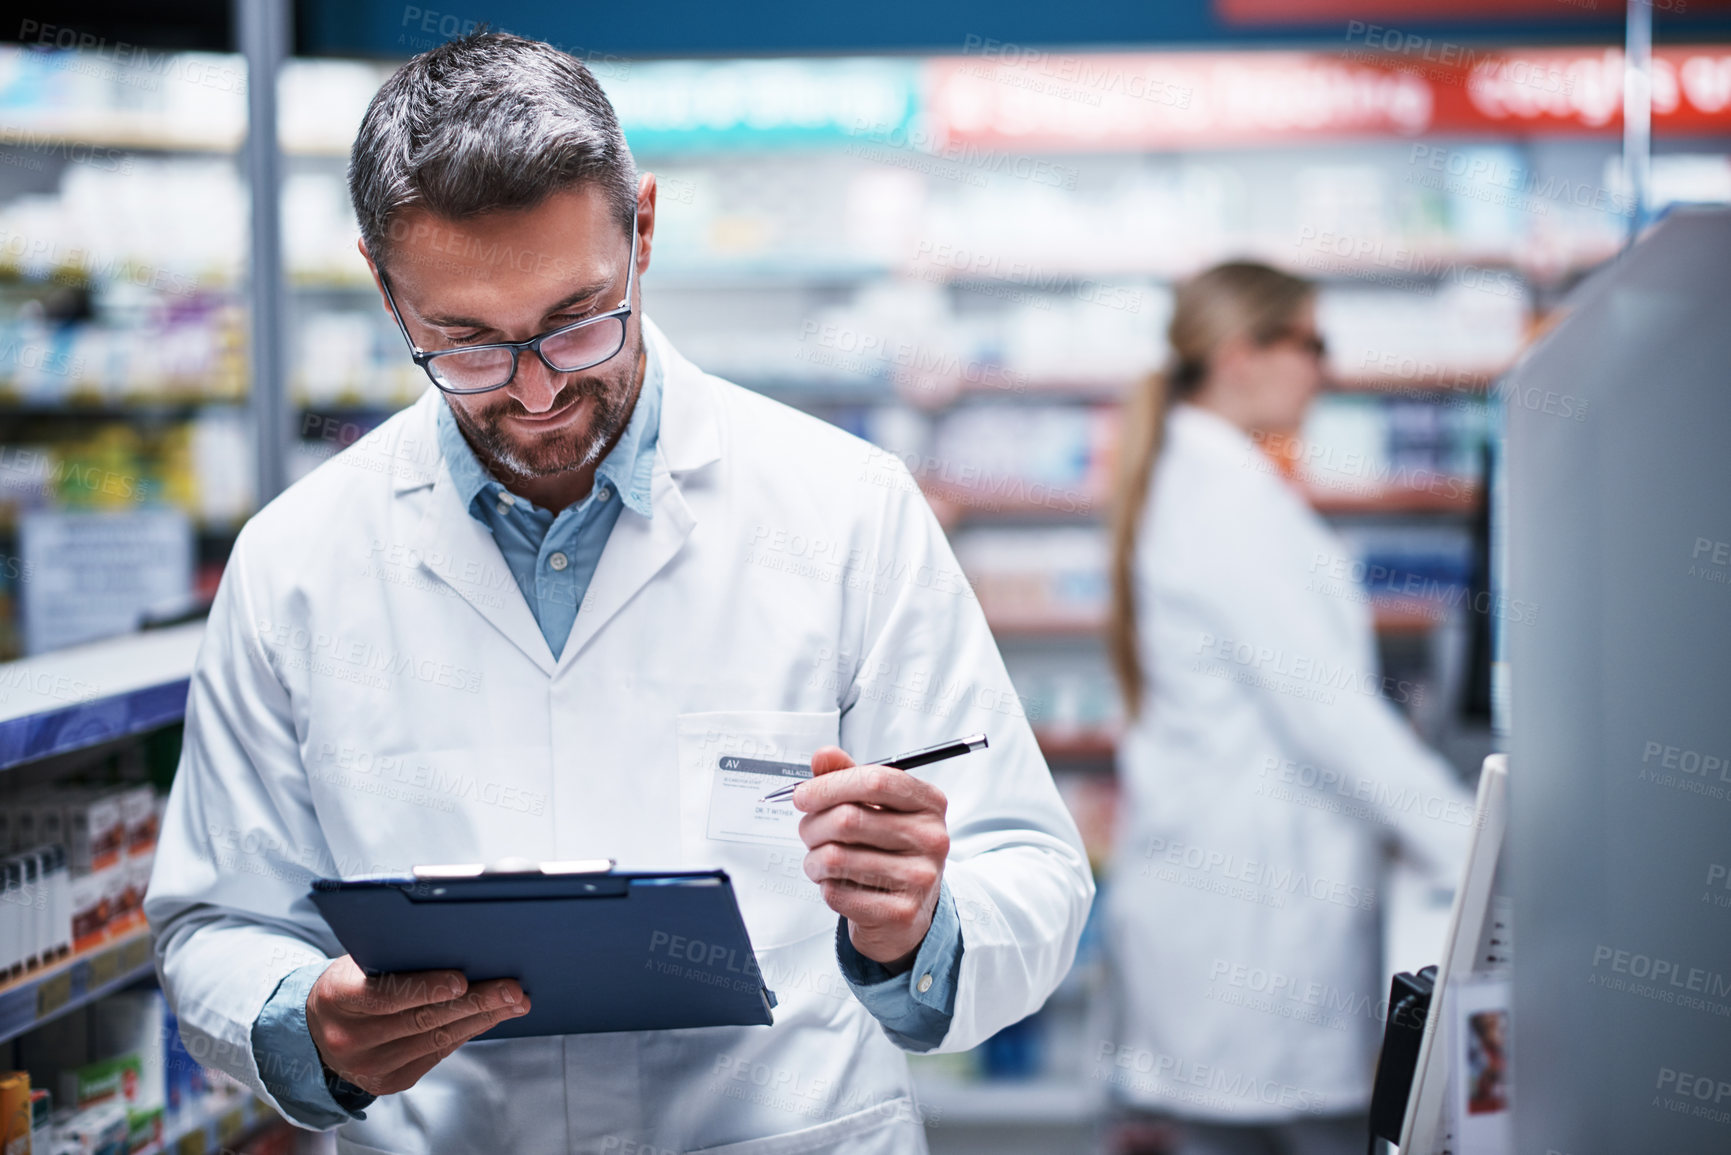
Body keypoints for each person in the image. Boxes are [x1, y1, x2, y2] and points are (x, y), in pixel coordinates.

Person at [144, 33, 1093, 1155]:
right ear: (385, 291)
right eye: (466, 343)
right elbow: (213, 920)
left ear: (643, 230)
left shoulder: (846, 511)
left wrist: (917, 930)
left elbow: (1029, 873)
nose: (537, 389)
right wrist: (304, 1027)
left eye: (575, 319)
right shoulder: (297, 560)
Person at [1097, 263, 1473, 1155]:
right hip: (1246, 923)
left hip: (1234, 906)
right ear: (1241, 355)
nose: (1324, 367)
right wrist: (1482, 851)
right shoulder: (1224, 505)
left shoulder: (1213, 488)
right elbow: (1332, 717)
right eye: (1310, 342)